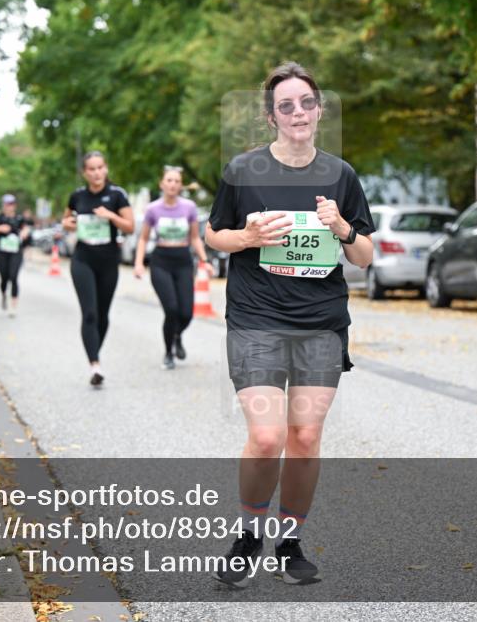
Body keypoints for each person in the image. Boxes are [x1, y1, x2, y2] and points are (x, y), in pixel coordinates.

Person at [205, 62, 374, 587]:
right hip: (257, 318)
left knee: (303, 437)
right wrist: (247, 238)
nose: (297, 112)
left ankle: (290, 542)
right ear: (271, 115)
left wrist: (343, 227)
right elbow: (213, 236)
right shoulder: (243, 171)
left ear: (319, 109)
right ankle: (249, 533)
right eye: (286, 105)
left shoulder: (341, 175)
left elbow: (365, 256)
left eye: (306, 103)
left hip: (321, 323)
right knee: (266, 435)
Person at [61, 151, 134, 387]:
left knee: (103, 315)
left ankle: (95, 353)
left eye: (100, 167)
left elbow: (130, 227)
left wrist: (110, 215)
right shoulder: (77, 196)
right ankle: (95, 364)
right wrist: (67, 224)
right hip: (83, 259)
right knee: (90, 313)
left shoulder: (117, 195)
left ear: (106, 169)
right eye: (91, 169)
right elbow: (67, 221)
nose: (96, 173)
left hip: (108, 260)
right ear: (85, 172)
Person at [134, 166, 211, 369]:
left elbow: (195, 237)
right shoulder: (153, 209)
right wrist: (139, 263)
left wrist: (204, 260)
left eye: (177, 181)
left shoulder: (189, 208)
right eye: (169, 180)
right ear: (162, 184)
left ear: (180, 185)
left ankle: (176, 335)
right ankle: (168, 352)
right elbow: (142, 239)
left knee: (186, 313)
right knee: (171, 309)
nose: (173, 184)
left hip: (183, 261)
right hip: (161, 261)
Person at [0, 195, 31, 316]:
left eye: (11, 204)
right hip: (2, 252)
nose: (8, 206)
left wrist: (24, 233)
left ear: (14, 205)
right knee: (4, 277)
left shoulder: (19, 218)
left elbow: (26, 229)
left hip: (16, 251)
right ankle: (4, 294)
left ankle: (13, 306)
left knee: (14, 276)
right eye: (6, 204)